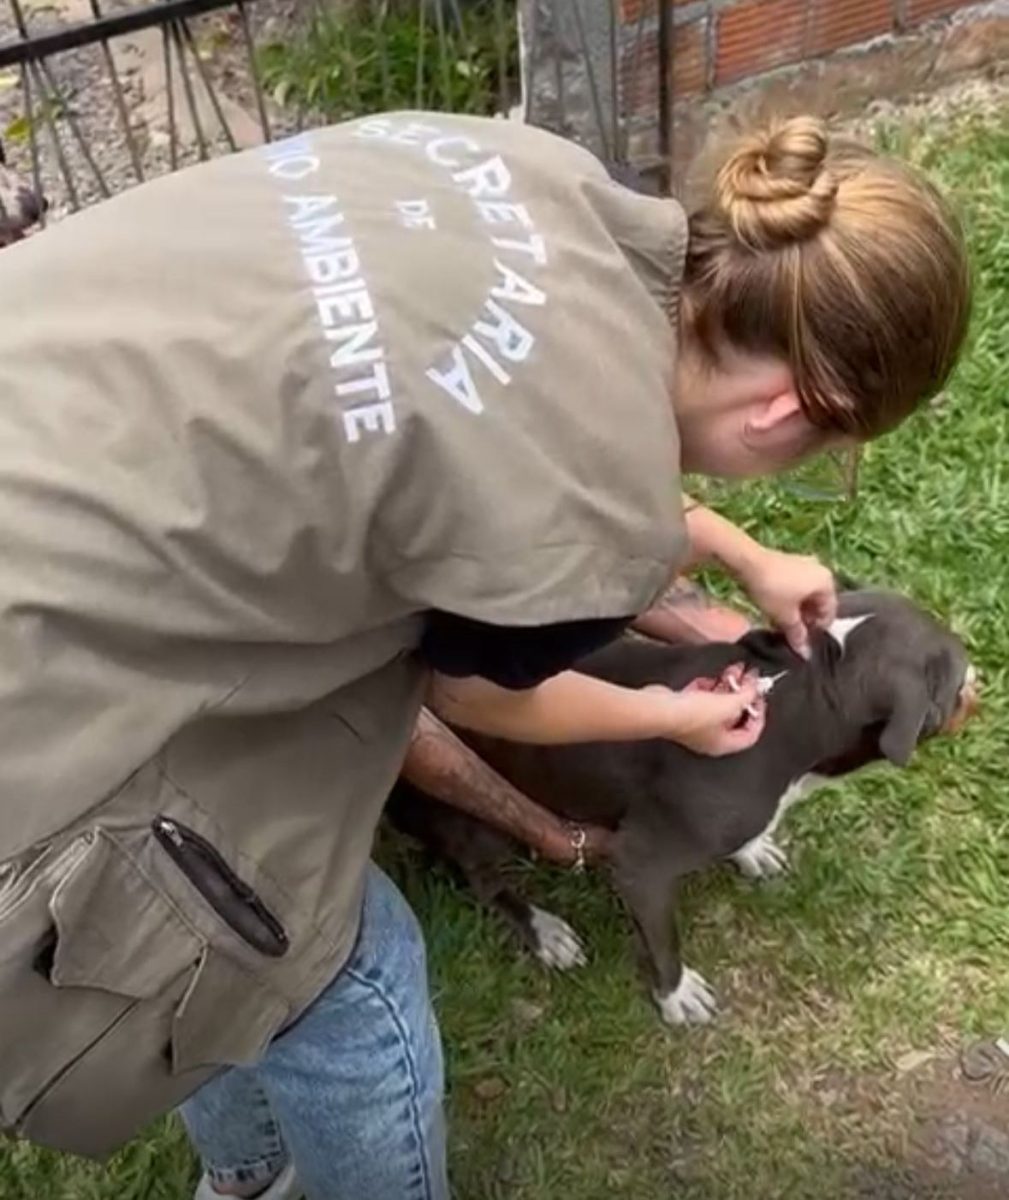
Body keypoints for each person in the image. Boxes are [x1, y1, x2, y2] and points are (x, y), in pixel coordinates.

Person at [0, 112, 969, 1200]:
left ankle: (243, 1165)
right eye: (824, 459)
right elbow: (470, 694)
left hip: (54, 429)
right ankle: (262, 1169)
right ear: (793, 408)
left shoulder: (539, 177)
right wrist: (670, 717)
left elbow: (478, 417)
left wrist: (737, 550)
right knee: (338, 975)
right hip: (39, 672)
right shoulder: (582, 519)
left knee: (234, 930)